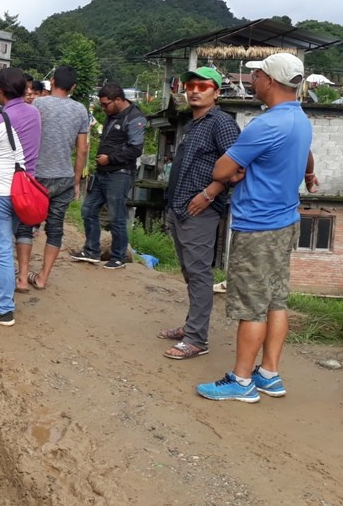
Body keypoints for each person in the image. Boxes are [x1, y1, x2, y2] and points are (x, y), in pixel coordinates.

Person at [196, 53, 317, 402]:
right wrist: (308, 174)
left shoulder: (266, 125)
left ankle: (241, 380)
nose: (254, 81)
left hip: (258, 227)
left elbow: (221, 170)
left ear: (272, 81)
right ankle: (269, 374)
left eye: (258, 75)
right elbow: (307, 154)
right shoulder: (300, 119)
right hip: (286, 221)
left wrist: (233, 171)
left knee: (251, 306)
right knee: (275, 301)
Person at [157, 67, 240, 359]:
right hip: (181, 208)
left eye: (203, 86)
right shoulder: (194, 123)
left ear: (216, 92)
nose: (194, 90)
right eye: (190, 85)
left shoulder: (222, 123)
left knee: (200, 273)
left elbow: (238, 167)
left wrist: (210, 193)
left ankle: (196, 339)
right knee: (190, 272)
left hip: (201, 211)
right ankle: (192, 326)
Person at [0, 68, 41, 326]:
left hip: (0, 190)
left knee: (1, 251)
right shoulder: (35, 113)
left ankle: (3, 309)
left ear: (0, 91)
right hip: (25, 191)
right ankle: (3, 302)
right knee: (7, 244)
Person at [18, 65, 90, 291]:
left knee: (25, 225)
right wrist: (76, 180)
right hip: (64, 177)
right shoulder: (80, 110)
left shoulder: (38, 104)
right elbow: (82, 150)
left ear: (52, 82)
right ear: (73, 87)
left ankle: (22, 278)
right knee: (55, 228)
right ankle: (42, 278)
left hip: (36, 176)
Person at [71, 84, 146, 269]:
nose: (103, 108)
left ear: (118, 100)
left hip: (120, 174)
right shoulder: (112, 116)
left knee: (116, 216)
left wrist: (110, 158)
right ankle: (91, 250)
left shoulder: (135, 118)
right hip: (102, 173)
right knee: (88, 210)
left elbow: (135, 149)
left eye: (105, 104)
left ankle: (119, 256)